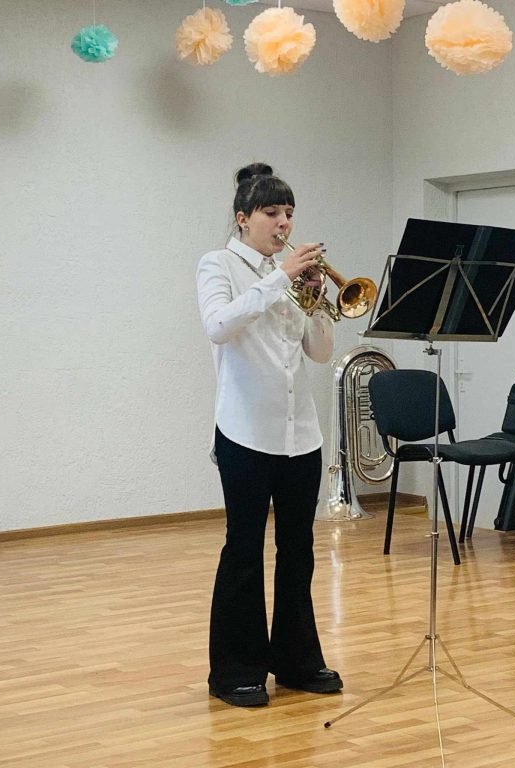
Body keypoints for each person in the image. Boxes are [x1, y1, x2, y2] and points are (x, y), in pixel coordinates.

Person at [196, 162, 343, 708]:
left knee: (298, 549)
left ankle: (297, 661)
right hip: (245, 430)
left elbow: (319, 354)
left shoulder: (290, 275)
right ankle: (235, 671)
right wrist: (280, 278)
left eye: (289, 214)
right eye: (272, 213)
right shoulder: (218, 264)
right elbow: (218, 325)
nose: (284, 223)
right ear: (243, 218)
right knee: (243, 548)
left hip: (300, 432)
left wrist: (316, 301)